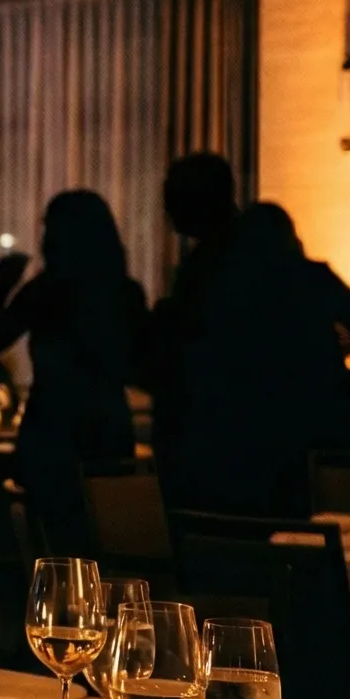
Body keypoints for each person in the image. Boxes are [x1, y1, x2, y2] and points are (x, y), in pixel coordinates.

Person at [173, 202, 350, 517]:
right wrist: (346, 334)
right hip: (327, 441)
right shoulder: (310, 279)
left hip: (251, 449)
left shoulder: (220, 291)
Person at [0, 192, 148, 554]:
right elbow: (142, 369)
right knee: (108, 550)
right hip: (107, 431)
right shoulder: (125, 293)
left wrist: (2, 289)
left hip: (51, 435)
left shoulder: (45, 291)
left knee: (50, 553)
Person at [142, 152, 243, 484]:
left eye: (172, 198)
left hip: (210, 441)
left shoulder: (210, 266)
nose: (166, 211)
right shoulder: (213, 259)